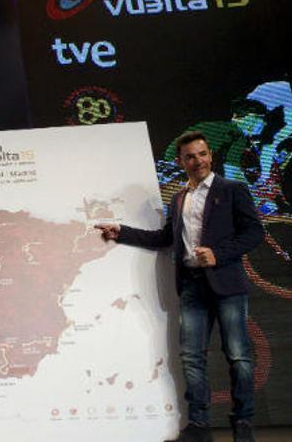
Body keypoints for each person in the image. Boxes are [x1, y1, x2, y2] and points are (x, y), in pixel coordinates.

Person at [96, 131, 264, 442]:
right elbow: (165, 238)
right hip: (191, 287)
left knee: (238, 355)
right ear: (180, 161)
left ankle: (242, 424)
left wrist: (218, 254)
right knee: (191, 357)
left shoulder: (232, 190)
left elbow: (254, 233)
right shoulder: (178, 198)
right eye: (190, 156)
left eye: (202, 154)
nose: (197, 161)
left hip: (227, 283)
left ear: (210, 155)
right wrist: (122, 231)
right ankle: (199, 426)